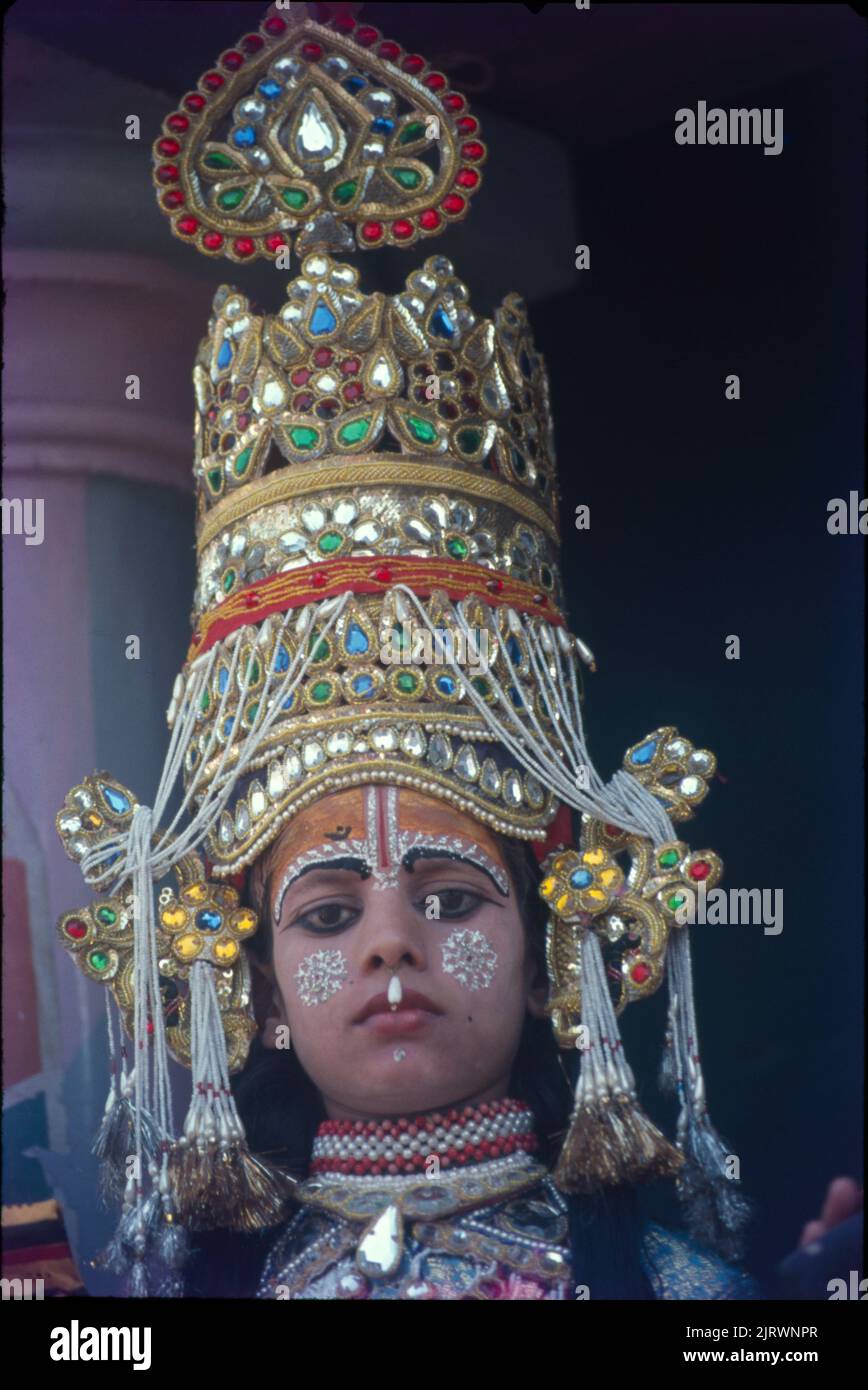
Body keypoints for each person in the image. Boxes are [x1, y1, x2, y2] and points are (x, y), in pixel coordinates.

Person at [53, 2, 860, 1301]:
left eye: (451, 895)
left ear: (555, 951)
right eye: (325, 910)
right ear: (250, 979)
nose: (390, 944)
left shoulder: (682, 1297)